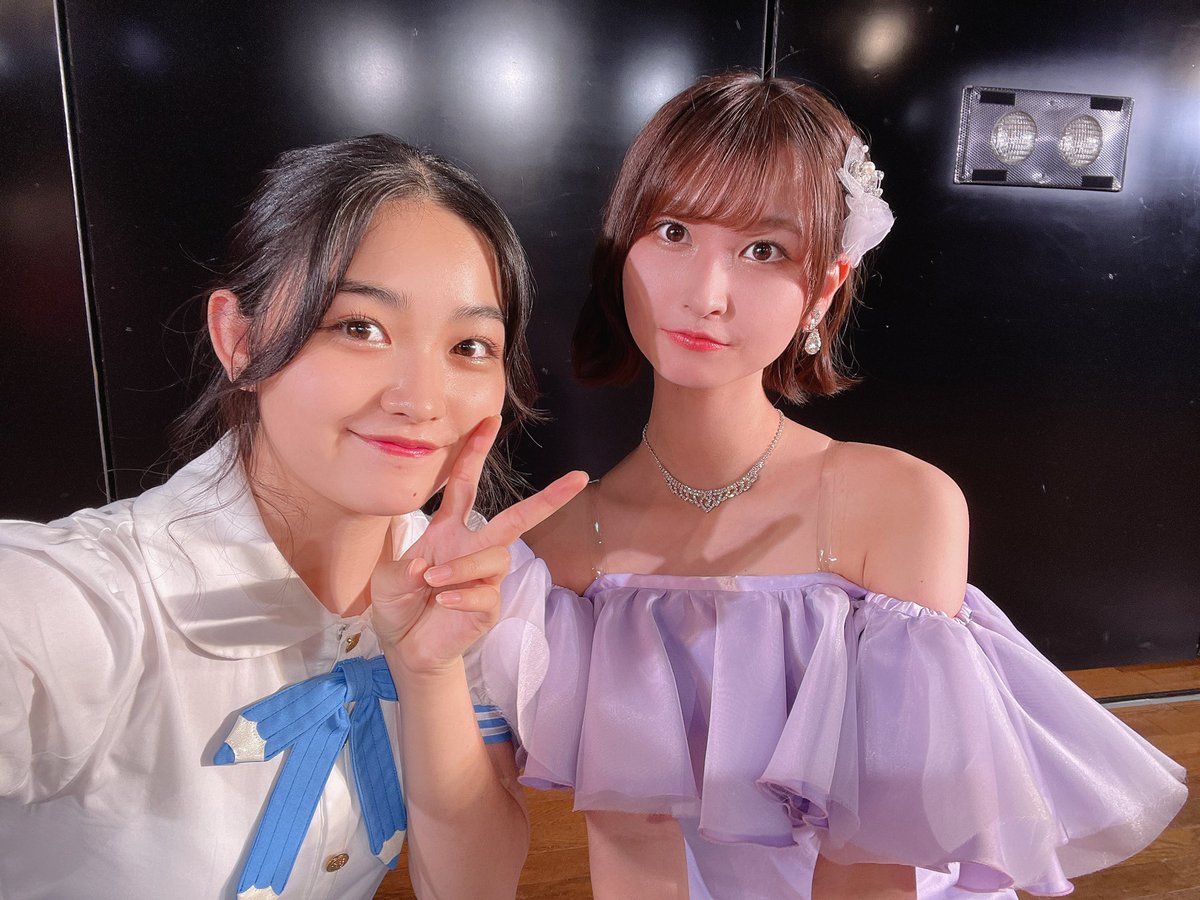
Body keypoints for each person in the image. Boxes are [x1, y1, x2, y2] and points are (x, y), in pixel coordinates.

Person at [476, 72, 1188, 898]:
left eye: (763, 250)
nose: (706, 295)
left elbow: (872, 859)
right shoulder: (562, 546)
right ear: (620, 249)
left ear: (823, 288)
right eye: (673, 231)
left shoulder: (901, 507)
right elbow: (631, 847)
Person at [0, 134, 586, 899]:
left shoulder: (459, 579)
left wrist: (430, 670)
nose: (421, 399)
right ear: (239, 341)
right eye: (360, 327)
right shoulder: (85, 601)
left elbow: (473, 889)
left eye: (470, 345)